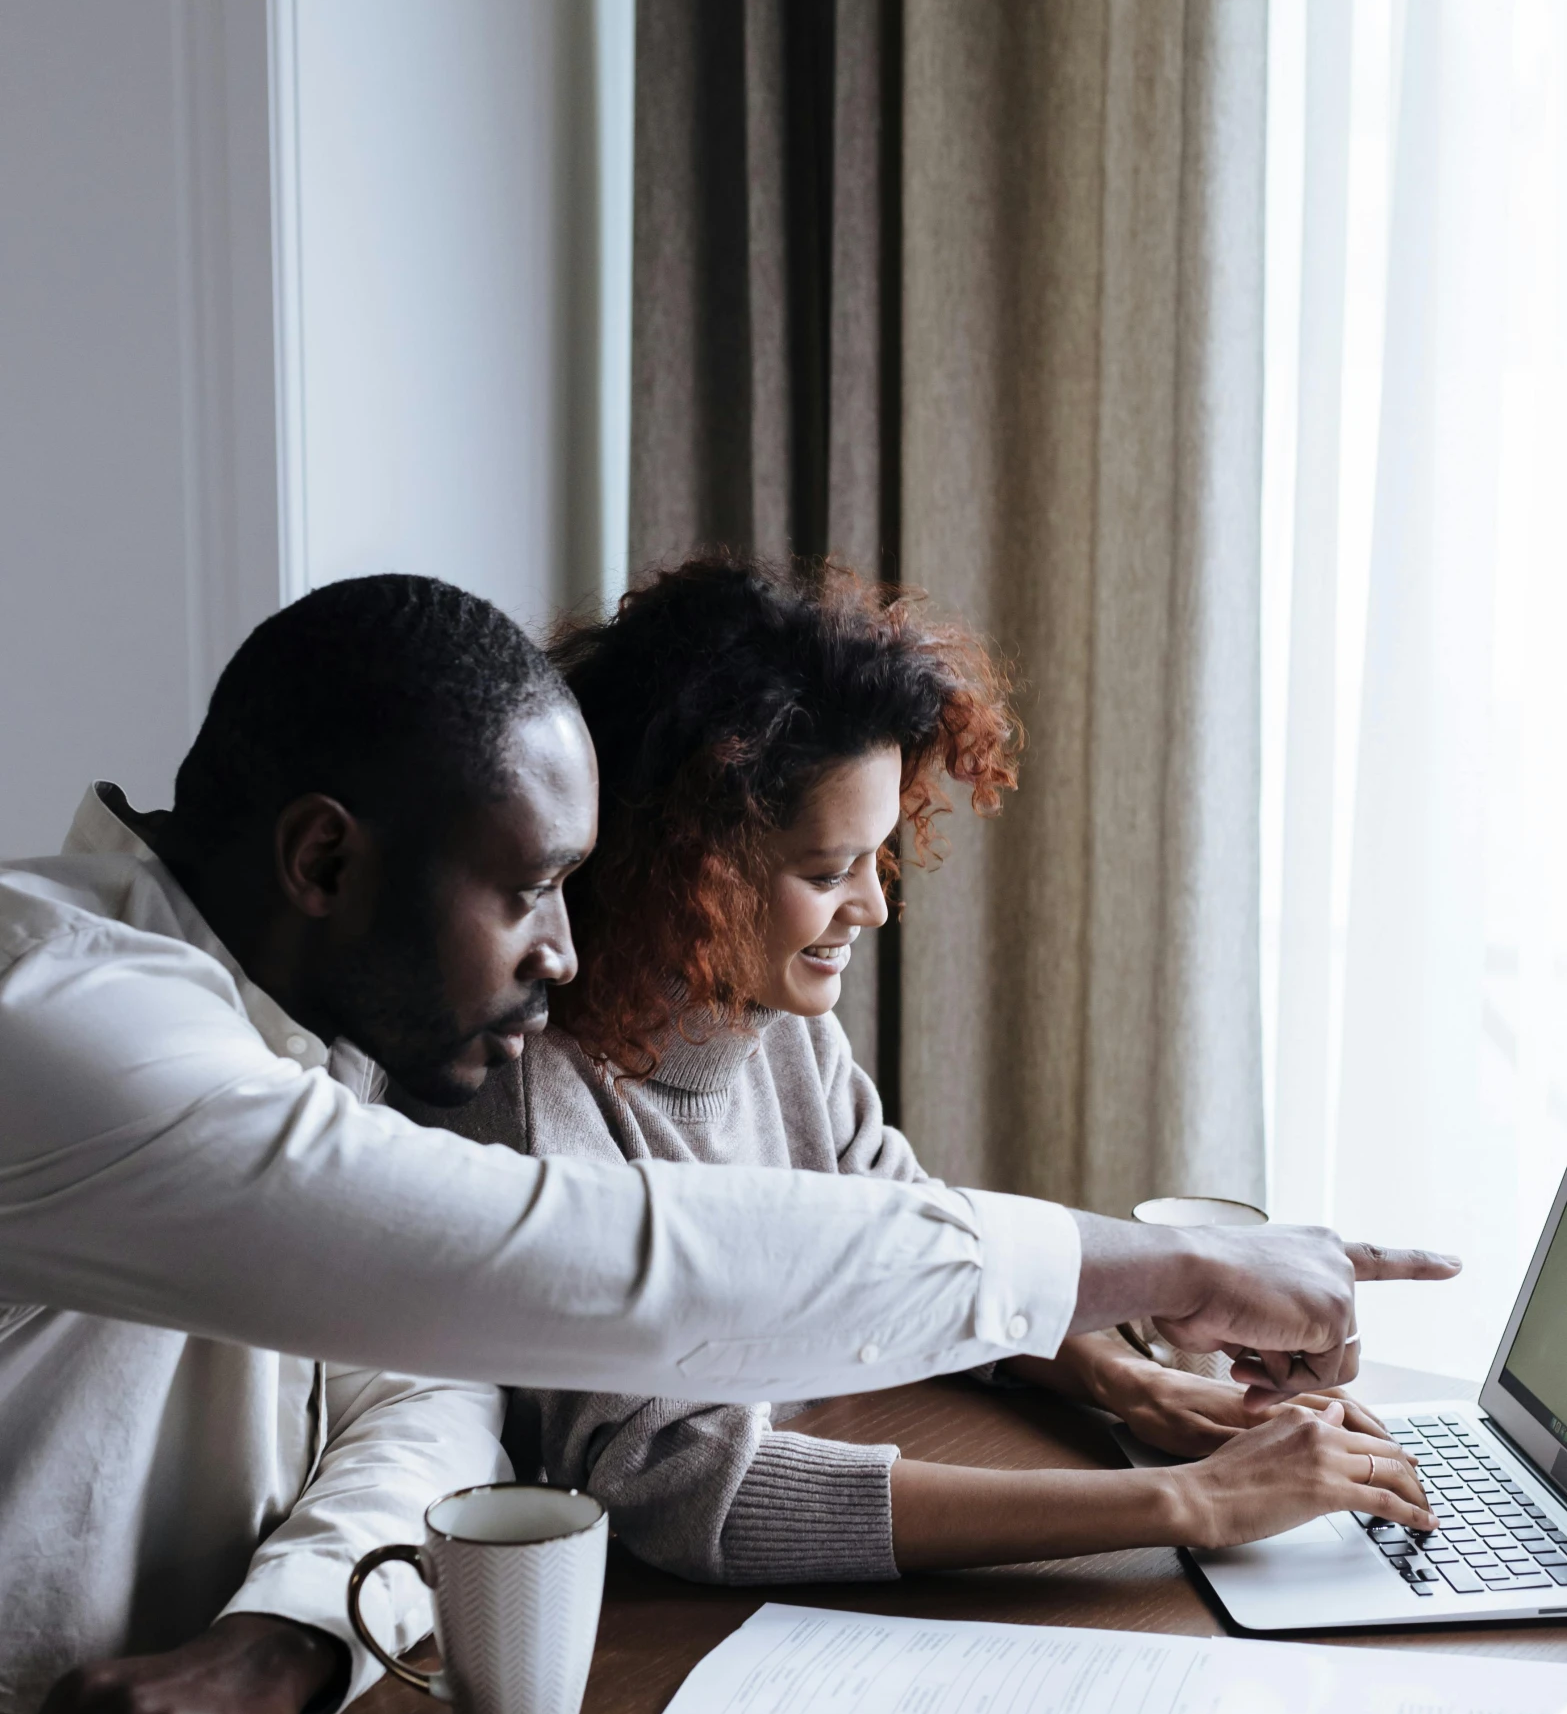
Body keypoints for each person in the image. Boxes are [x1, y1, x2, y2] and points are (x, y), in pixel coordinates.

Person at [0, 574, 1452, 1714]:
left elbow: (435, 1376)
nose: (559, 951)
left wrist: (284, 1637)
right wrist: (1173, 1278)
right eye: (529, 891)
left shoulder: (317, 1023)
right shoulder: (63, 1034)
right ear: (323, 863)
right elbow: (583, 1272)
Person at [395, 557, 1441, 1583]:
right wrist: (1186, 1502)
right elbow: (676, 1482)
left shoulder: (773, 1016)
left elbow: (911, 1255)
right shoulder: (534, 1095)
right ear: (681, 870)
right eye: (826, 870)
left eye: (877, 856)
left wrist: (1128, 1385)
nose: (874, 906)